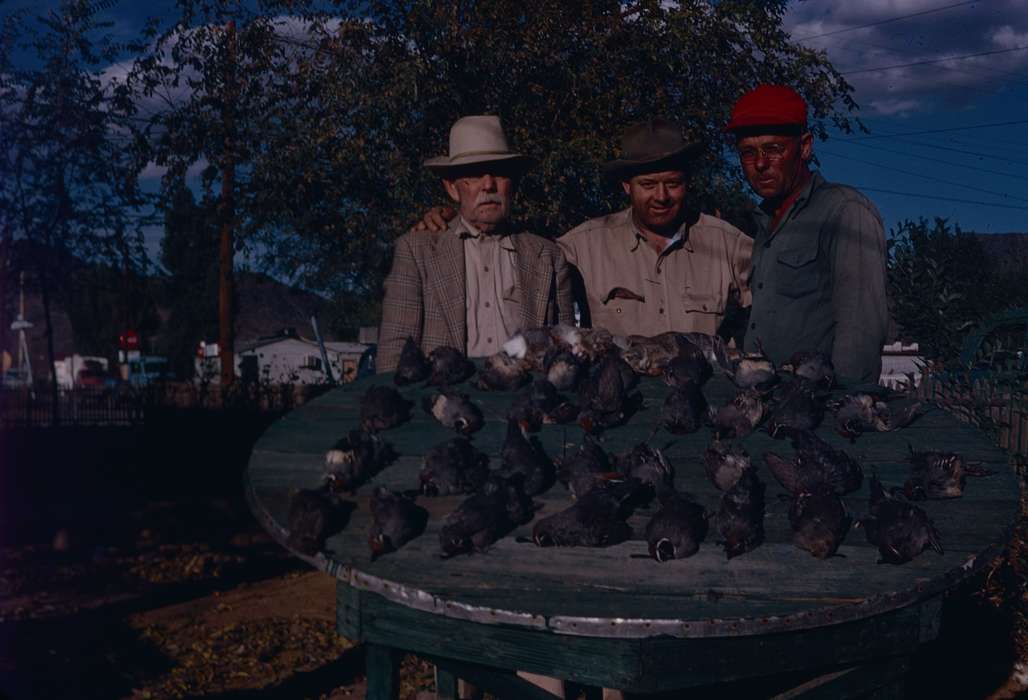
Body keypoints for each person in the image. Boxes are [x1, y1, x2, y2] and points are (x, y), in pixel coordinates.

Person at [415, 118, 753, 341]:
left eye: (673, 184)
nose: (661, 196)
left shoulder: (730, 244)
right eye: (648, 184)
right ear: (626, 186)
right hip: (616, 411)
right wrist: (458, 219)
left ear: (688, 183)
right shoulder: (581, 246)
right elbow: (513, 251)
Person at [377, 115, 574, 372]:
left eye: (500, 174)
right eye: (474, 173)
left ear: (513, 185)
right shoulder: (416, 251)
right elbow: (395, 353)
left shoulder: (548, 256)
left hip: (527, 400)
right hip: (445, 400)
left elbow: (568, 350)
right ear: (452, 188)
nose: (489, 184)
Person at [725, 84, 888, 385]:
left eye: (774, 149)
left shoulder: (844, 212)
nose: (760, 164)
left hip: (817, 407)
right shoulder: (765, 222)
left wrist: (845, 406)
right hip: (768, 401)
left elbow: (860, 333)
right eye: (748, 153)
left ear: (805, 147)